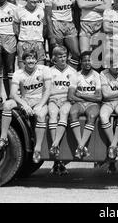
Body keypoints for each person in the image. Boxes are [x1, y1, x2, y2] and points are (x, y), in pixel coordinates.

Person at [0, 49, 51, 165]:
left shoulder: (44, 70)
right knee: (7, 105)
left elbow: (48, 90)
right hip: (25, 100)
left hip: (40, 100)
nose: (31, 61)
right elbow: (13, 93)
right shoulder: (18, 73)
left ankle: (37, 149)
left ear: (36, 60)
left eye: (33, 58)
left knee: (40, 115)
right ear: (24, 61)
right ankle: (3, 138)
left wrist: (40, 105)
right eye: (28, 58)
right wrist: (24, 104)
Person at [48, 46, 77, 175]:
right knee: (53, 113)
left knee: (64, 113)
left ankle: (55, 144)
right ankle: (56, 149)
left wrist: (66, 99)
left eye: (64, 56)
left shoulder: (72, 71)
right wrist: (53, 99)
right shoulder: (49, 71)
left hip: (66, 99)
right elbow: (47, 90)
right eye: (60, 57)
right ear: (54, 58)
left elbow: (72, 91)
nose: (63, 59)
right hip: (53, 99)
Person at [68, 51, 102, 159]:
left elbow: (99, 97)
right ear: (81, 62)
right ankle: (81, 145)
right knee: (73, 112)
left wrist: (81, 95)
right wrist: (83, 99)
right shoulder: (76, 75)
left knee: (92, 116)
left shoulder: (97, 75)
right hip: (80, 103)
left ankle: (80, 146)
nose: (88, 63)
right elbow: (70, 96)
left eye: (90, 60)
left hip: (92, 104)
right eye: (85, 60)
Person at [45, 0, 79, 67]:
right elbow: (48, 16)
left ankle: (70, 72)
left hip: (69, 24)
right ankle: (58, 77)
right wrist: (51, 35)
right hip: (56, 24)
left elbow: (73, 10)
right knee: (59, 55)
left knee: (76, 53)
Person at [14, 0, 46, 69]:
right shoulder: (19, 11)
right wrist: (24, 39)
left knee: (39, 71)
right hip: (24, 43)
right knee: (23, 73)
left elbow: (45, 27)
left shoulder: (41, 10)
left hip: (38, 43)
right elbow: (16, 28)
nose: (34, 0)